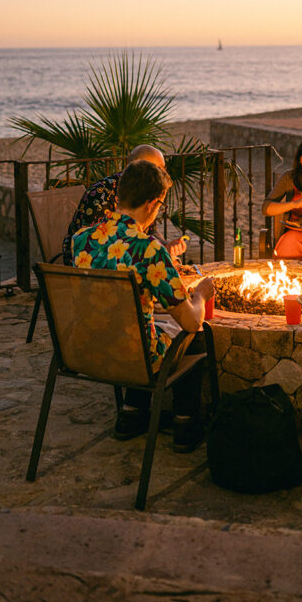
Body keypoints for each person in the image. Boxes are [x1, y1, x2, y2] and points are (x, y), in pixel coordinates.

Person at [71, 159, 215, 452]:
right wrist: (200, 295)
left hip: (85, 350)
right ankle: (186, 426)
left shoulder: (81, 240)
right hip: (135, 358)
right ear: (152, 204)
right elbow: (190, 321)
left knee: (146, 326)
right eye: (160, 206)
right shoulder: (148, 249)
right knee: (197, 334)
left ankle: (131, 414)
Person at [61, 144, 187, 265]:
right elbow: (97, 245)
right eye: (158, 169)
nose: (164, 174)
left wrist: (164, 246)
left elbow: (150, 230)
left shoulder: (144, 190)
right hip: (95, 267)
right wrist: (156, 256)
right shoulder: (101, 195)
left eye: (164, 169)